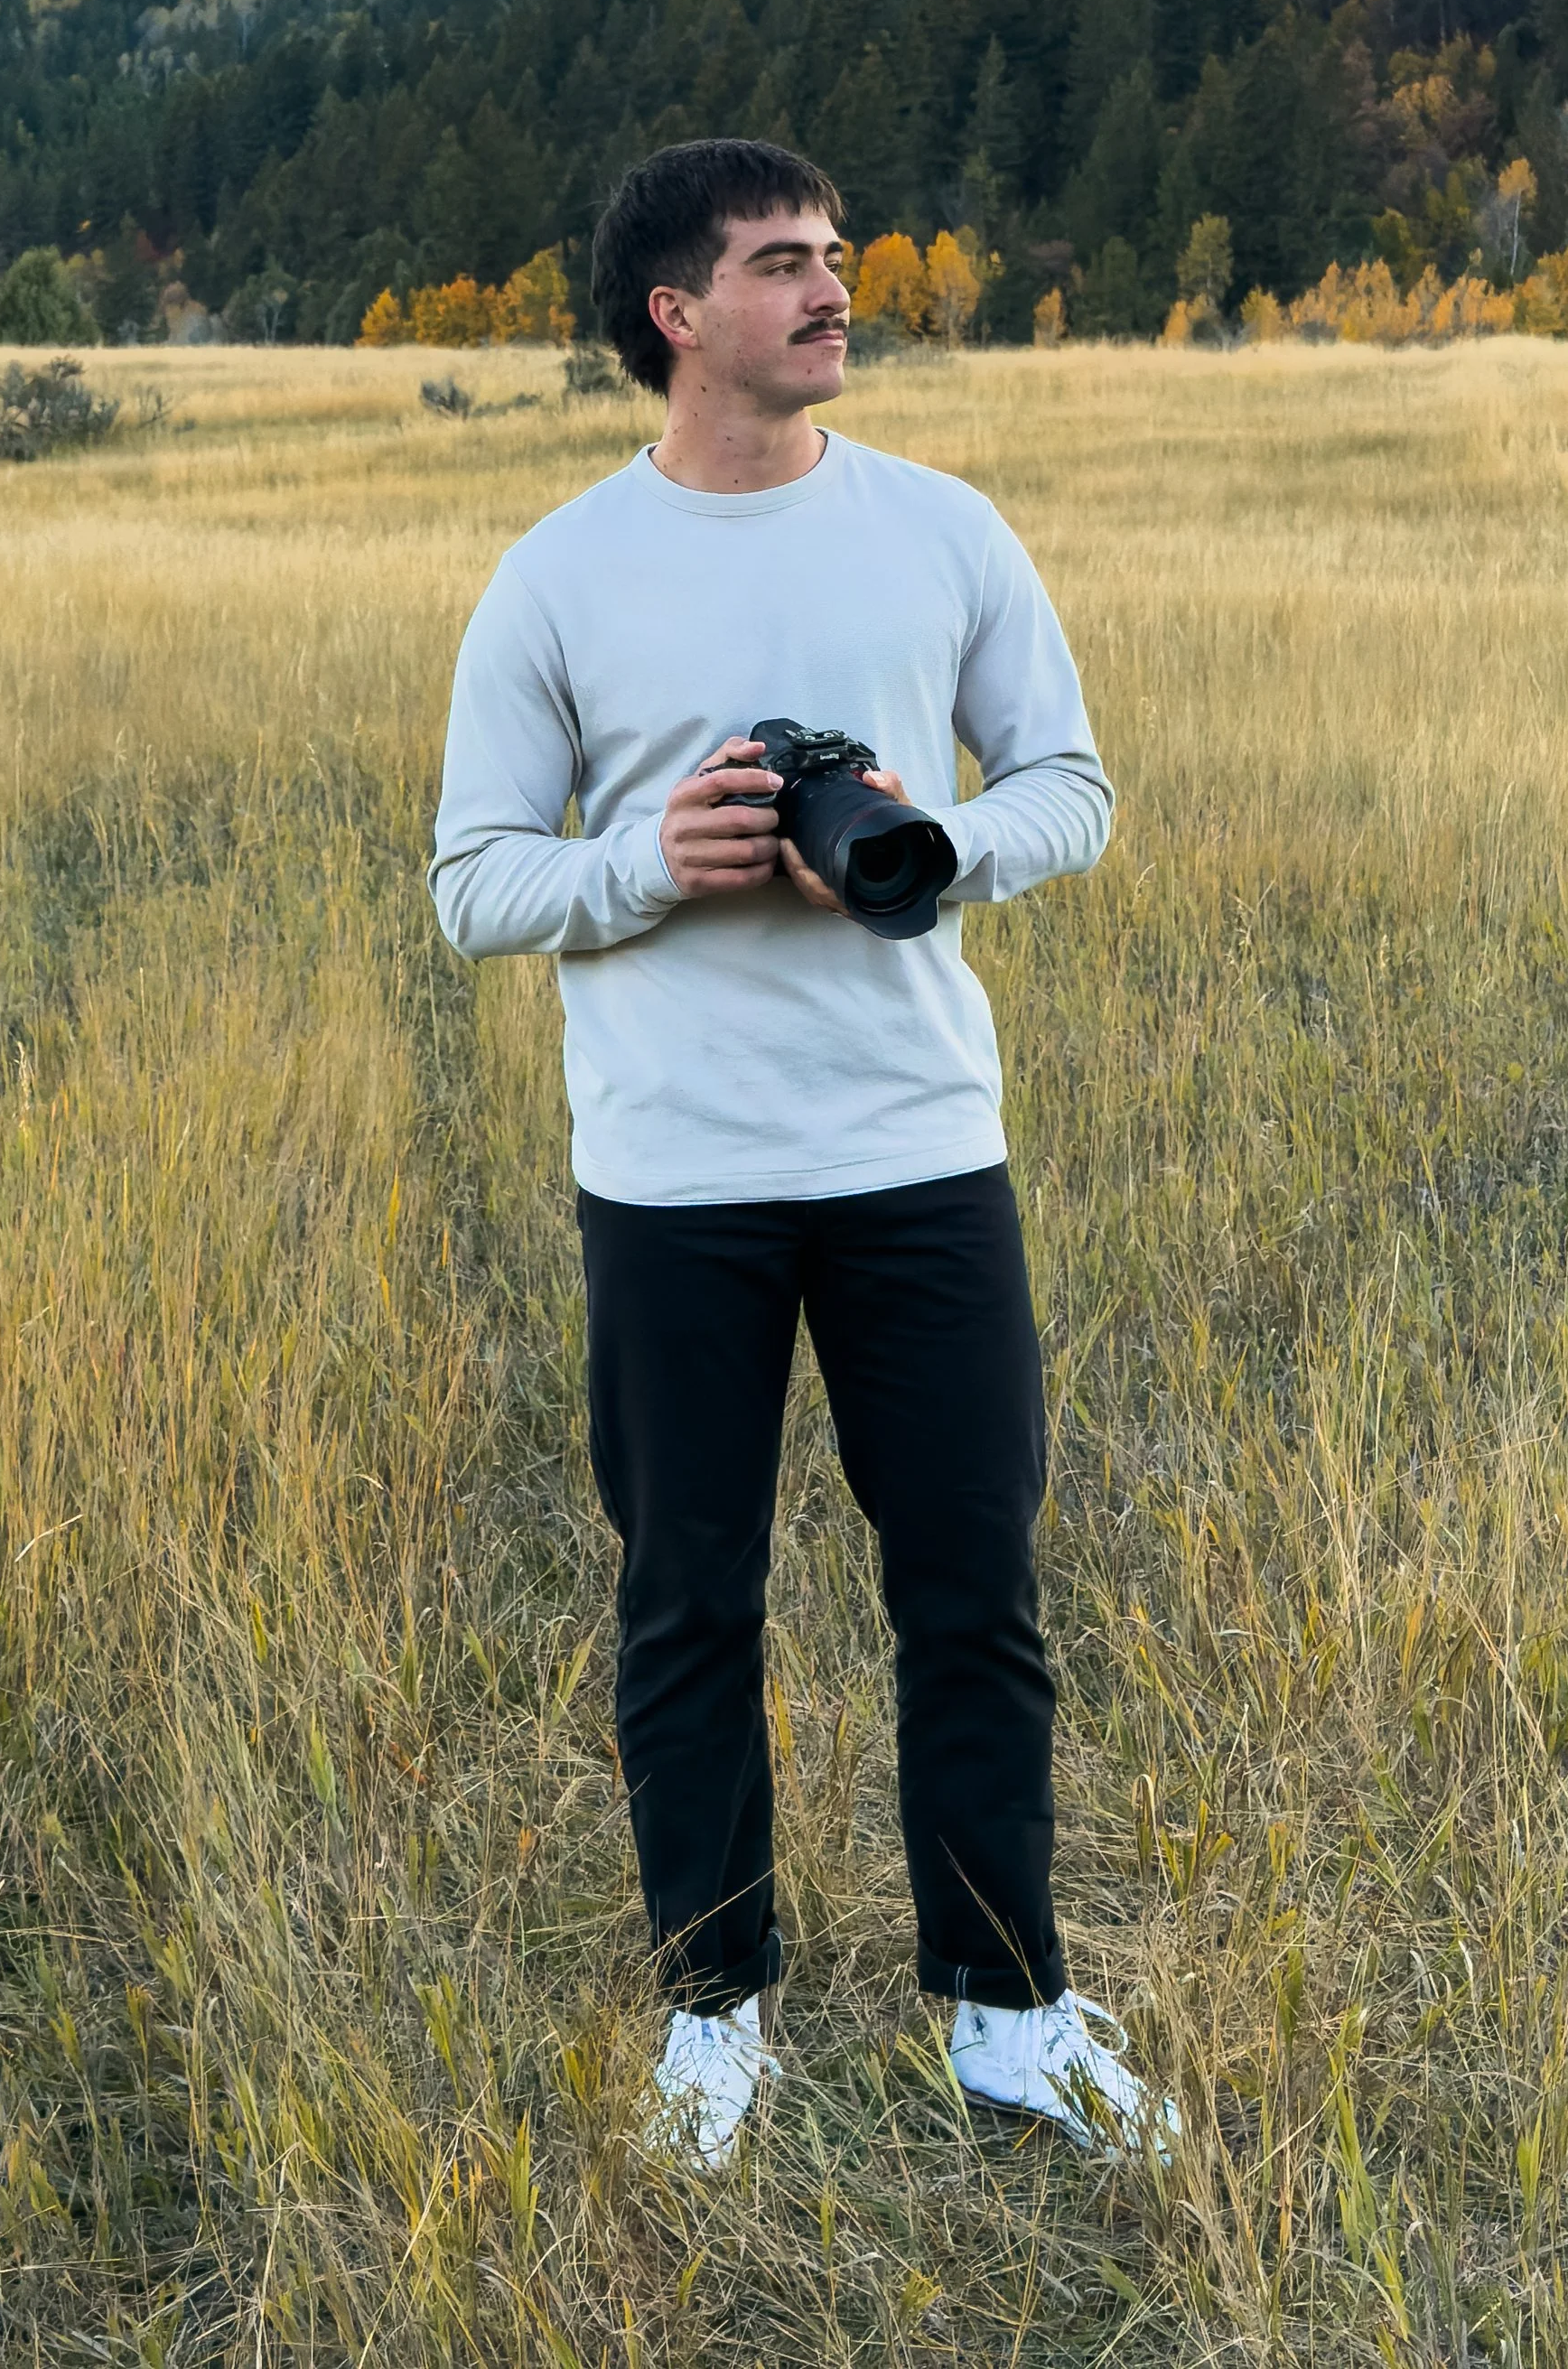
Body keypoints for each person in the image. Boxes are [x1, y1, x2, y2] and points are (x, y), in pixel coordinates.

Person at [428, 138, 1171, 2167]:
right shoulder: (561, 573)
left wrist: (935, 844)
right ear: (677, 314)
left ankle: (1006, 2006)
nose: (836, 289)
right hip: (672, 1179)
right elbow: (468, 884)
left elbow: (1073, 783)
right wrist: (642, 864)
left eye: (835, 256)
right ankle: (714, 2005)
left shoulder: (938, 530)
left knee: (972, 1584)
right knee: (687, 1594)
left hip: (922, 1156)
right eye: (786, 263)